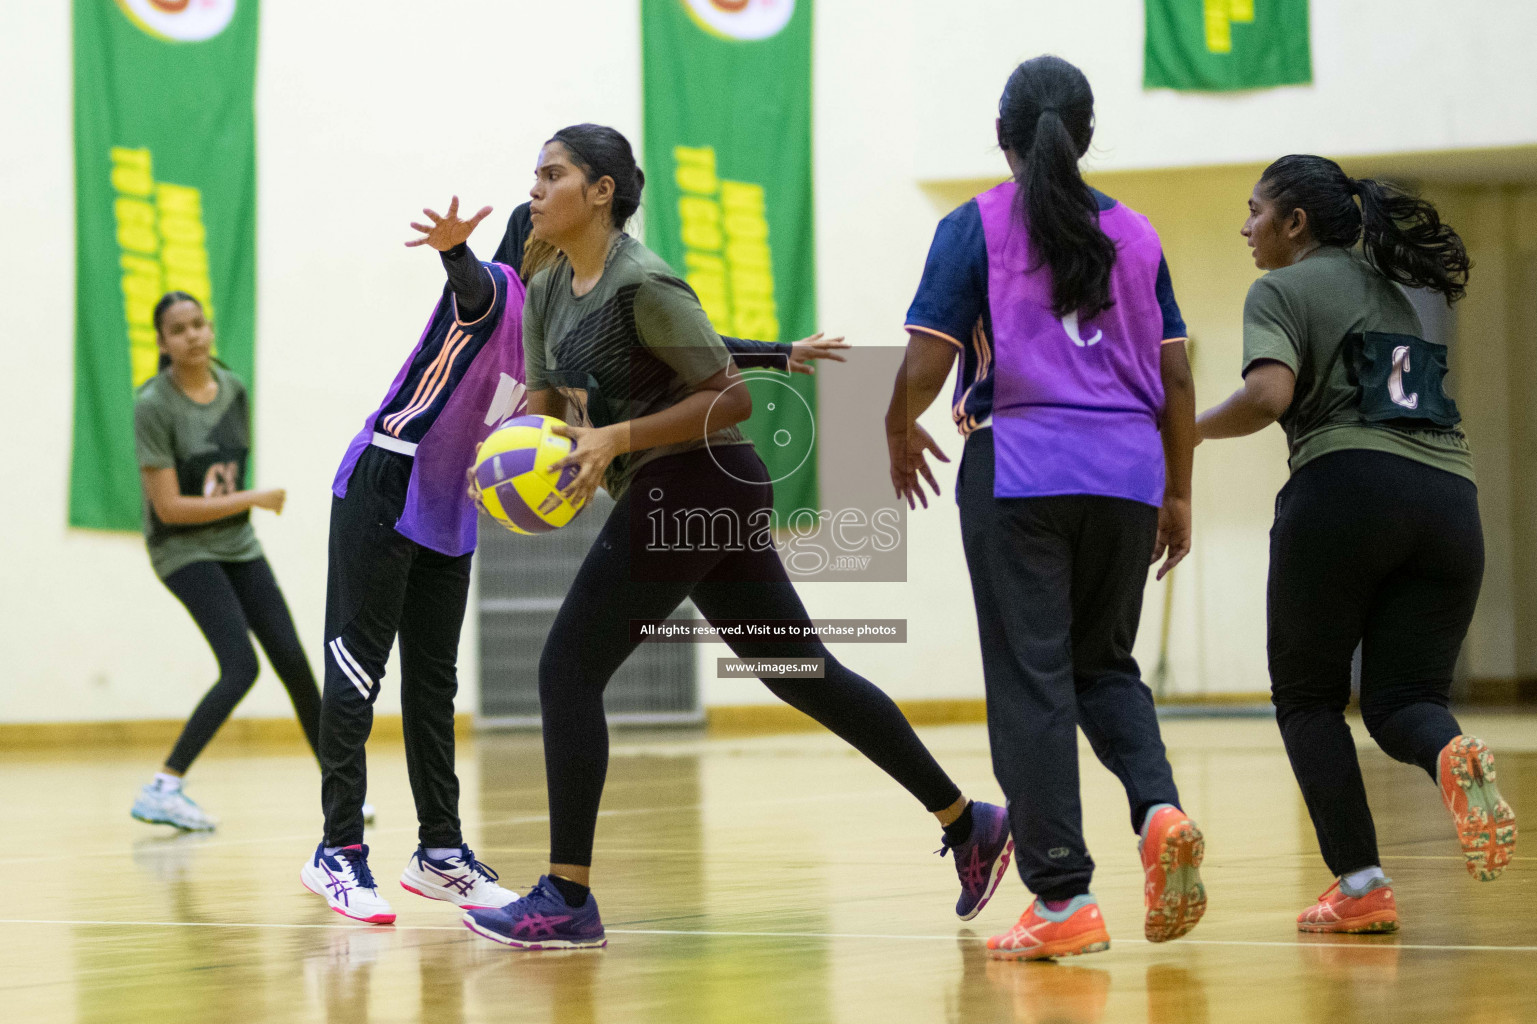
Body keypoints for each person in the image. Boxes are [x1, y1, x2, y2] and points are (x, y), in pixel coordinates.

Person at [462, 123, 1013, 951]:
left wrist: (613, 440)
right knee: (804, 673)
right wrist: (507, 462)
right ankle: (970, 823)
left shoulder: (643, 283)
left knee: (566, 669)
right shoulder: (545, 289)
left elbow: (729, 397)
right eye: (534, 175)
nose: (533, 189)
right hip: (671, 485)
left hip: (702, 479)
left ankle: (567, 896)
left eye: (552, 174)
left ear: (602, 191)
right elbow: (544, 403)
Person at [302, 196, 853, 925]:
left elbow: (686, 343)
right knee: (356, 669)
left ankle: (440, 854)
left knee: (433, 683)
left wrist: (780, 354)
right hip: (389, 477)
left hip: (452, 505)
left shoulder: (565, 334)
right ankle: (338, 851)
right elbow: (471, 287)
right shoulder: (499, 289)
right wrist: (453, 252)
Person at [886, 56, 1206, 961]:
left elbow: (922, 362)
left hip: (1022, 467)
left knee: (1031, 679)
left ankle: (1063, 897)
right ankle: (1159, 806)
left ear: (1002, 136)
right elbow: (1177, 376)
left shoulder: (976, 224)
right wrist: (1176, 489)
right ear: (1087, 135)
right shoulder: (1136, 235)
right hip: (1127, 472)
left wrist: (893, 429)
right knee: (1104, 666)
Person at [1196, 154, 1516, 933]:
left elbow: (1269, 394)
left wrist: (1185, 431)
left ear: (1294, 222)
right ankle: (1448, 756)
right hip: (1449, 501)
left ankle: (1362, 884)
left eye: (1254, 211)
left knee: (1307, 697)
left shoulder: (1278, 288)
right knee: (1404, 701)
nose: (1245, 228)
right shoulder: (1394, 295)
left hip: (1344, 489)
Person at [131, 292, 356, 831]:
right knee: (241, 667)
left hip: (237, 545)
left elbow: (225, 471)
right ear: (163, 343)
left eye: (198, 324)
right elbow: (169, 507)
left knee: (295, 664)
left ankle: (342, 795)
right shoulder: (153, 406)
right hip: (183, 550)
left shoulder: (233, 389)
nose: (192, 335)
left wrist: (241, 508)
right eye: (178, 330)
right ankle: (164, 786)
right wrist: (252, 500)